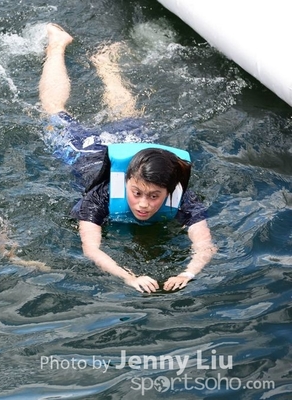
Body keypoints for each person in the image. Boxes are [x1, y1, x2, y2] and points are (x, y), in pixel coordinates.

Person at [39, 24, 217, 294]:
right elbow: (91, 249)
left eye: (154, 196)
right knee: (53, 112)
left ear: (168, 191)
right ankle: (57, 45)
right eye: (136, 193)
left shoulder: (182, 198)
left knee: (126, 115)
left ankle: (104, 63)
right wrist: (129, 277)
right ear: (127, 181)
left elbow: (205, 246)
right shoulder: (101, 195)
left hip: (129, 147)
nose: (143, 204)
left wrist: (188, 272)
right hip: (86, 153)